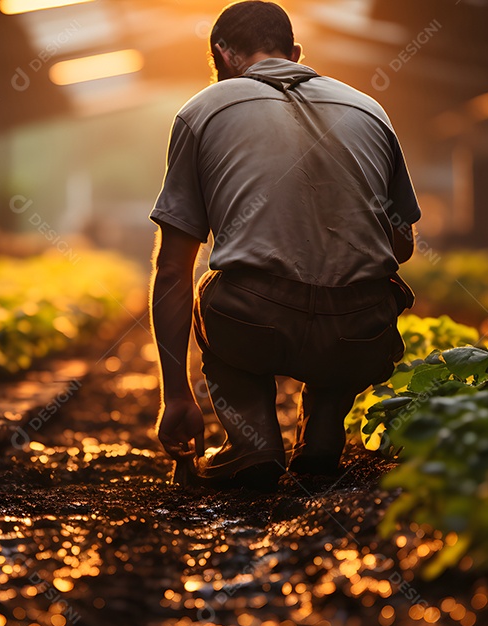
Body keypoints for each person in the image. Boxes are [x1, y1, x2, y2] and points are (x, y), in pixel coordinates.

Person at [148, 0, 420, 490]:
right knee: (364, 289)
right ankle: (323, 430)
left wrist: (177, 398)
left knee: (210, 288)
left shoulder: (201, 110)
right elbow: (400, 246)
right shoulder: (369, 108)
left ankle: (253, 440)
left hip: (253, 322)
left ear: (222, 56)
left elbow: (171, 272)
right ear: (296, 52)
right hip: (356, 333)